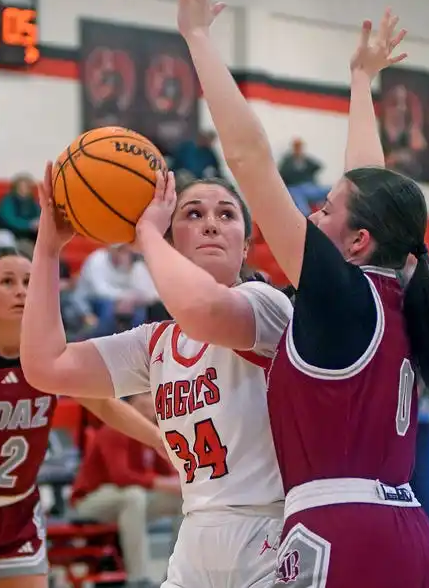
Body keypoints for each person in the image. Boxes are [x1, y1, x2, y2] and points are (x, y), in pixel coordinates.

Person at [174, 0, 429, 587]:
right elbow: (368, 187)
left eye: (323, 209)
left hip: (337, 533)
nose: (311, 217)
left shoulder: (341, 295)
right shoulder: (392, 287)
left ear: (357, 240)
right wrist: (360, 85)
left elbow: (251, 158)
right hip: (406, 530)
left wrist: (199, 38)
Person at [20, 166, 293, 586]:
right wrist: (48, 249)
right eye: (193, 214)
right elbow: (45, 366)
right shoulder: (157, 343)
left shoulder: (265, 305)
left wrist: (145, 235)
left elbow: (205, 312)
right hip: (195, 530)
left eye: (226, 215)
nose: (210, 226)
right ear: (172, 241)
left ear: (244, 249)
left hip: (269, 528)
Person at [0, 247, 174, 588]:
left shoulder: (46, 357)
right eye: (7, 281)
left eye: (29, 282)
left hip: (19, 513)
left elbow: (104, 405)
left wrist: (158, 439)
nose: (21, 290)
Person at [70, 393, 182, 588]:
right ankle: (138, 579)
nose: (151, 401)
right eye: (146, 395)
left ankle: (176, 575)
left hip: (130, 501)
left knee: (182, 501)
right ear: (132, 403)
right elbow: (121, 476)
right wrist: (165, 483)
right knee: (133, 496)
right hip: (90, 501)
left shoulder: (153, 431)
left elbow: (165, 471)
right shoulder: (115, 428)